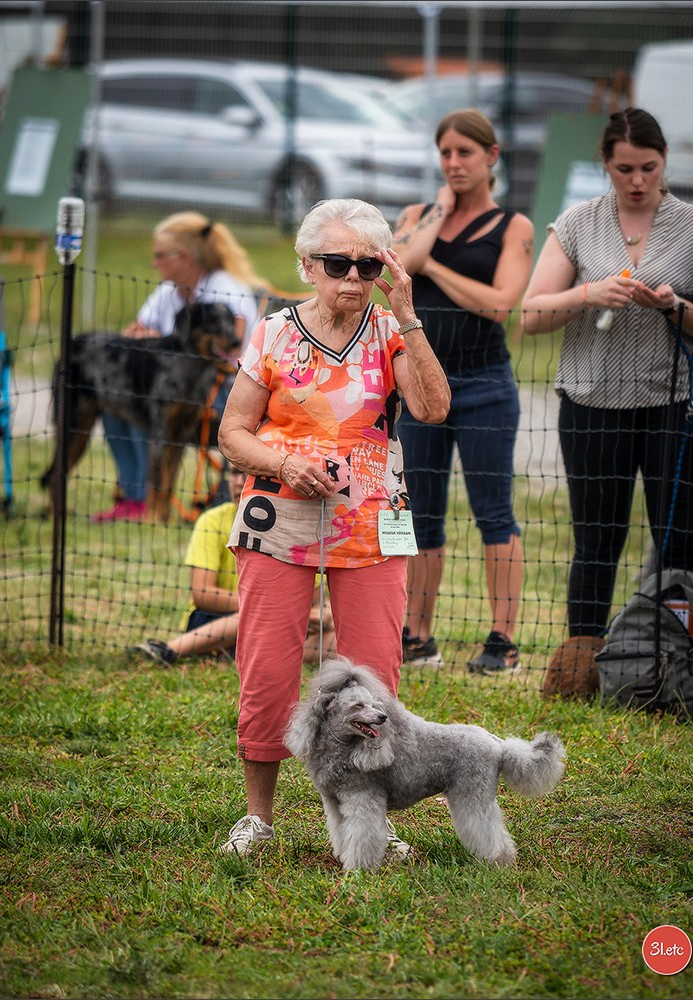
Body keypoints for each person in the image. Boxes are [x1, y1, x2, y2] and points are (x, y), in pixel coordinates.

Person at [216, 198, 450, 855]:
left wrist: (407, 316)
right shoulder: (272, 334)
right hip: (277, 513)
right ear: (307, 266)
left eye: (367, 265)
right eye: (337, 263)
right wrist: (284, 463)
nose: (352, 277)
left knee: (374, 674)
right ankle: (258, 818)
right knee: (267, 668)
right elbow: (232, 432)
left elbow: (432, 409)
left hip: (372, 517)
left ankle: (368, 819)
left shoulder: (389, 332)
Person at [522, 107, 693, 642]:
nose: (637, 181)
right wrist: (588, 293)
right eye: (624, 168)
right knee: (597, 538)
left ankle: (687, 652)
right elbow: (532, 315)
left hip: (677, 404)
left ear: (665, 161)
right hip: (592, 402)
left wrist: (672, 304)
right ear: (604, 162)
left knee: (681, 540)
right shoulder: (580, 223)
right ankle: (583, 656)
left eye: (648, 168)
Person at [392, 109, 534, 672]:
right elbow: (396, 269)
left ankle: (502, 642)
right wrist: (439, 215)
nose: (454, 163)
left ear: (491, 157)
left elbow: (500, 305)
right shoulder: (416, 215)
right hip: (420, 384)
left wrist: (437, 270)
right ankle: (417, 635)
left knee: (493, 512)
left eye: (465, 153)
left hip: (484, 385)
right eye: (446, 153)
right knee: (419, 510)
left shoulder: (514, 227)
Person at [93, 212, 263, 522]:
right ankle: (136, 498)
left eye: (159, 256)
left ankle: (148, 500)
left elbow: (232, 346)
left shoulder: (225, 287)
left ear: (183, 257)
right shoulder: (168, 292)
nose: (154, 263)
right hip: (176, 390)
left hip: (226, 393)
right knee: (114, 400)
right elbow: (133, 333)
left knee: (148, 405)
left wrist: (163, 343)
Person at [130, 466, 336, 667]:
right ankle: (168, 650)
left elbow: (317, 602)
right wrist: (270, 608)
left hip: (278, 624)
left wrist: (323, 613)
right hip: (213, 622)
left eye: (250, 474)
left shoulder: (290, 527)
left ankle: (241, 655)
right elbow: (203, 595)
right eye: (235, 473)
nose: (239, 482)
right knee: (262, 615)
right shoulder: (211, 521)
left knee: (334, 637)